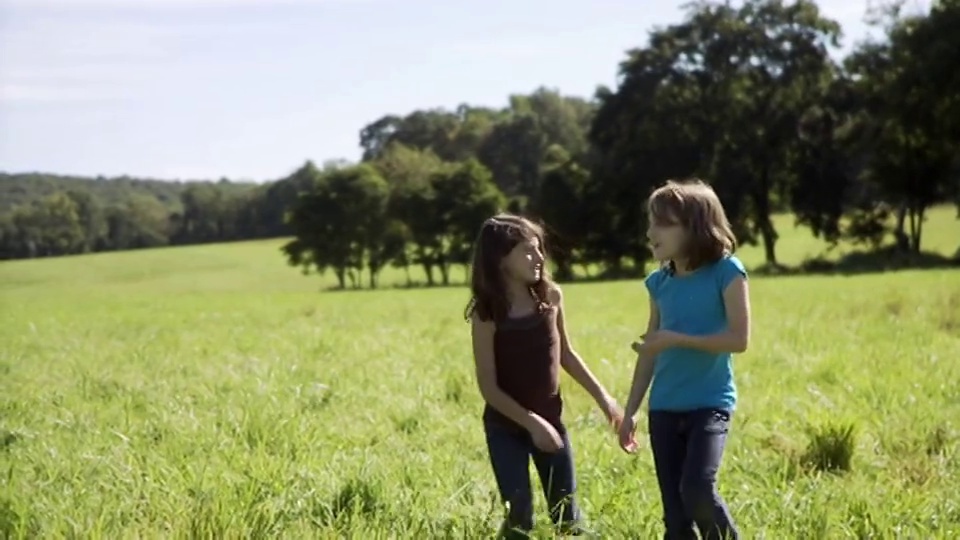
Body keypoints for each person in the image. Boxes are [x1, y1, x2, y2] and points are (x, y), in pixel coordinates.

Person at [466, 213, 622, 539]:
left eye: (539, 249)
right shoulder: (486, 313)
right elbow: (489, 387)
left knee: (567, 517)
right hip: (505, 429)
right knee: (519, 516)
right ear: (500, 259)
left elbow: (566, 354)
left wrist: (604, 399)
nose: (539, 257)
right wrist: (532, 423)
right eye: (527, 251)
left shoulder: (550, 298)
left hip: (553, 424)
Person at [618, 179, 751, 540]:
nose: (650, 232)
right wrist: (629, 411)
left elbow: (739, 340)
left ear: (695, 225)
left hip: (709, 405)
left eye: (662, 223)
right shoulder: (658, 283)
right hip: (663, 410)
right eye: (650, 222)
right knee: (676, 522)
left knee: (696, 491)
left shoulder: (727, 272)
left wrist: (676, 339)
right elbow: (649, 354)